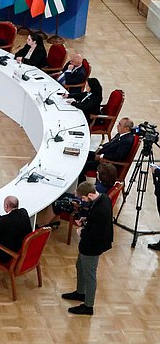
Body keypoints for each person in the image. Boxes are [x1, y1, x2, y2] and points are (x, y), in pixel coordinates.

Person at [62, 182, 113, 315]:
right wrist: (85, 219)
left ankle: (88, 305)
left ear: (90, 194)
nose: (83, 201)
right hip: (88, 243)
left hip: (93, 245)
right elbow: (95, 221)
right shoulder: (103, 198)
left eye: (83, 198)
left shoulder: (100, 210)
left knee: (89, 274)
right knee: (80, 265)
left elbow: (95, 233)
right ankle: (80, 292)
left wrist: (81, 232)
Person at [79, 117, 135, 182]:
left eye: (120, 124)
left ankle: (81, 183)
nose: (117, 126)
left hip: (108, 164)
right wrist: (100, 147)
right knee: (83, 154)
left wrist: (101, 156)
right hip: (102, 155)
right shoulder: (120, 134)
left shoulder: (126, 141)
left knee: (82, 165)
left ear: (126, 129)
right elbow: (109, 143)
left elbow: (118, 156)